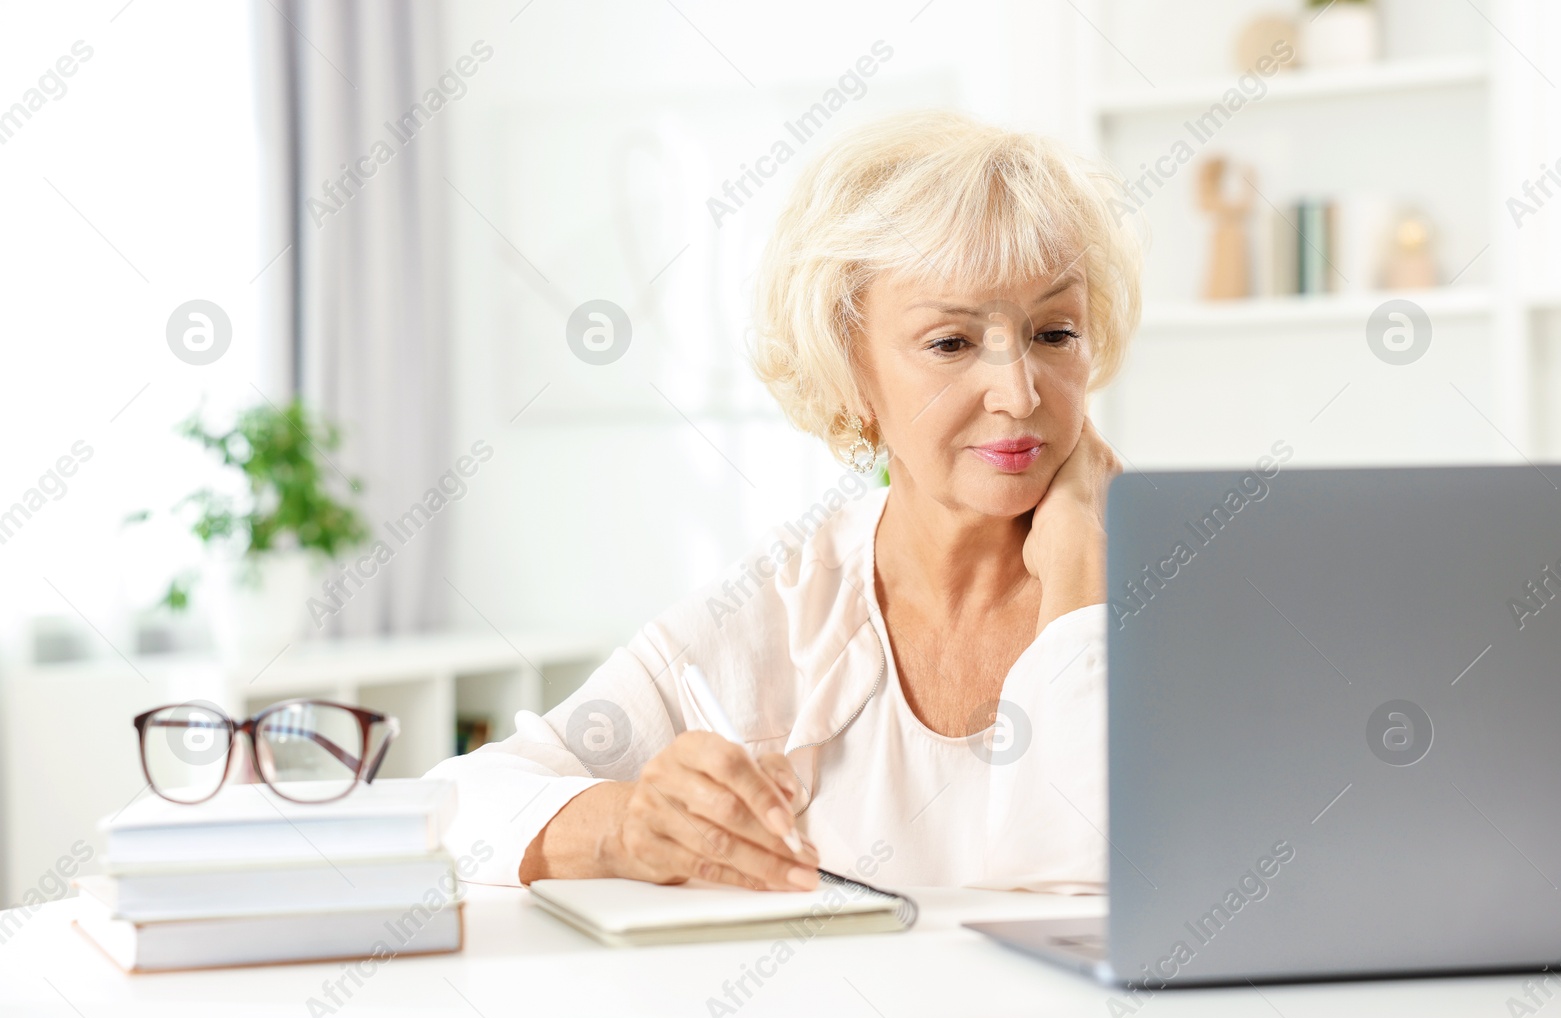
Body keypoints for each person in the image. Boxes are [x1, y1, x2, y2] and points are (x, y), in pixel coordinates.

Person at [426, 109, 1141, 894]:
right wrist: (628, 830)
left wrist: (1079, 596)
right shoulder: (786, 608)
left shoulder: (1174, 584)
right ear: (850, 368)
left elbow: (1091, 897)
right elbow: (455, 806)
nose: (1017, 391)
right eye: (951, 343)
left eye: (1054, 332)